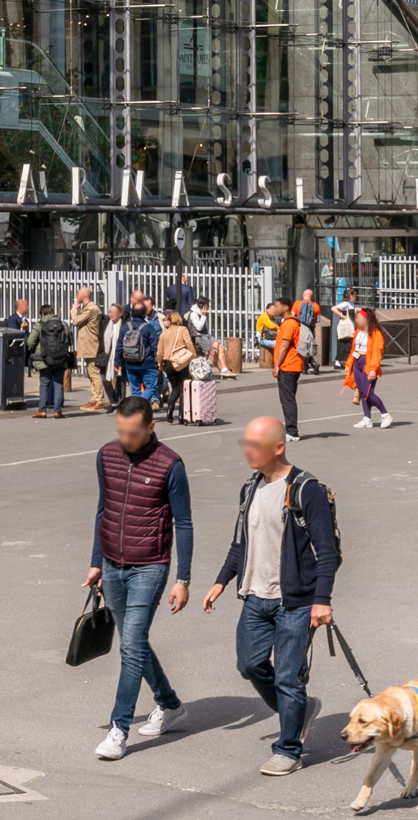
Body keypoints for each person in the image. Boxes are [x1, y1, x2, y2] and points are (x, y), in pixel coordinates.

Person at [202, 413, 337, 778]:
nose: (247, 450)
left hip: (295, 601)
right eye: (245, 443)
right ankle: (300, 709)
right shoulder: (250, 487)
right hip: (255, 597)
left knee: (288, 677)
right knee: (249, 665)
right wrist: (221, 580)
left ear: (279, 447)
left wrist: (321, 600)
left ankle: (289, 748)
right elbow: (240, 542)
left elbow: (328, 551)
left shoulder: (307, 490)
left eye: (255, 445)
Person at [83, 395, 192, 759]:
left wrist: (184, 578)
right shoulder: (107, 456)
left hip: (151, 566)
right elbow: (103, 510)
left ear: (150, 428)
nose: (125, 439)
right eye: (120, 432)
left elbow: (185, 523)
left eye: (132, 433)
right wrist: (97, 561)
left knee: (130, 646)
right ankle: (170, 703)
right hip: (112, 566)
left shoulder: (170, 465)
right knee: (135, 643)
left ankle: (118, 729)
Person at [270, 289, 312, 442]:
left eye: (277, 306)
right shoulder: (291, 323)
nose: (274, 309)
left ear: (286, 307)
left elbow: (284, 346)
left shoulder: (288, 324)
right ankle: (291, 429)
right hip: (293, 365)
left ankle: (292, 431)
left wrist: (277, 365)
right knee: (289, 398)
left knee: (287, 399)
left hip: (288, 366)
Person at [348, 306, 390, 430]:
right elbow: (353, 350)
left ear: (366, 319)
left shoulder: (376, 333)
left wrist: (373, 368)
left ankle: (385, 414)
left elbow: (377, 352)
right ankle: (367, 418)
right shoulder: (358, 332)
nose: (357, 320)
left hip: (367, 362)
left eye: (359, 317)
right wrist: (349, 365)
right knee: (362, 392)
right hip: (357, 362)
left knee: (368, 393)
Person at [116, 292, 161, 403]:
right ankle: (140, 403)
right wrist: (159, 361)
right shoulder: (149, 328)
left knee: (135, 389)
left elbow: (119, 346)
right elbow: (156, 346)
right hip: (146, 363)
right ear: (144, 314)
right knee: (151, 386)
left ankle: (136, 407)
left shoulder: (125, 327)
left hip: (130, 362)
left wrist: (117, 362)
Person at [155, 307, 198, 421]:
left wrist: (161, 364)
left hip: (169, 363)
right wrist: (194, 356)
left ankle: (170, 409)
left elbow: (159, 352)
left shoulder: (163, 335)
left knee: (174, 388)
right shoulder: (183, 329)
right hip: (182, 362)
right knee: (183, 387)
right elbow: (189, 343)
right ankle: (181, 414)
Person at [74, 286, 108, 412]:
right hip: (87, 345)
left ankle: (99, 400)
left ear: (84, 296)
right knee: (91, 373)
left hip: (91, 345)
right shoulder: (88, 308)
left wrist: (74, 309)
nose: (77, 295)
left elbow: (76, 321)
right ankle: (94, 399)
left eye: (79, 294)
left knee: (94, 373)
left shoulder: (91, 308)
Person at [34, 306, 73, 415]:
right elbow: (70, 339)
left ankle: (42, 410)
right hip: (60, 359)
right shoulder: (63, 324)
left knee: (44, 384)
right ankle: (57, 411)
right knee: (58, 384)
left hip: (44, 358)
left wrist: (36, 351)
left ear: (42, 314)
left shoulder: (39, 324)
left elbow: (30, 341)